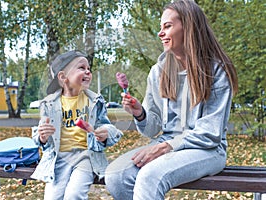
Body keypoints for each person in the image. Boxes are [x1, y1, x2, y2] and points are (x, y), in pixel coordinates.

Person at [105, 0, 238, 199]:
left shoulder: (216, 71)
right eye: (161, 27)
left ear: (189, 27)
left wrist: (168, 147)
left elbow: (210, 133)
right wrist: (140, 114)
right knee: (117, 176)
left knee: (150, 176)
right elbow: (153, 129)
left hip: (208, 149)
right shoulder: (158, 72)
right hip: (167, 142)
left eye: (167, 26)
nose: (161, 33)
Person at [31, 50, 123, 200]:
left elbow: (106, 126)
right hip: (58, 158)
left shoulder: (94, 101)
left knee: (74, 195)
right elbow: (42, 139)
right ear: (63, 77)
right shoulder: (49, 104)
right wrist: (42, 137)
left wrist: (104, 132)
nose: (87, 72)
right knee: (52, 198)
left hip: (85, 156)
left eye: (89, 69)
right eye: (81, 68)